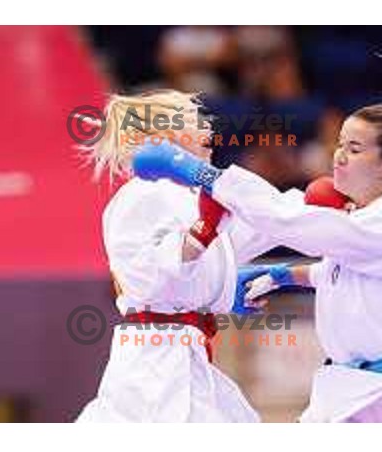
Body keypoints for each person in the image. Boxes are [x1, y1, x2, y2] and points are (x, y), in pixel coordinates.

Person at [132, 35, 382, 423]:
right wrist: (286, 275)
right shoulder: (359, 217)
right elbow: (343, 273)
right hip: (348, 388)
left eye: (354, 149)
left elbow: (288, 221)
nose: (338, 155)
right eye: (339, 143)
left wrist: (199, 173)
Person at [76, 90, 285, 423]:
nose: (209, 131)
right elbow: (145, 275)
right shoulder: (141, 194)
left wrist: (315, 209)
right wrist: (202, 233)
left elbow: (252, 230)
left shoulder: (189, 196)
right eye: (197, 122)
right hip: (154, 358)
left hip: (182, 349)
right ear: (161, 138)